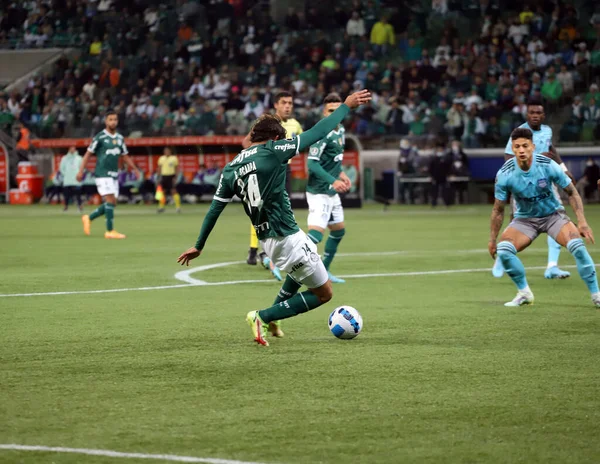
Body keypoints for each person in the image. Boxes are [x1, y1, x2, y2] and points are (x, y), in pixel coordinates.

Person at [177, 89, 372, 347]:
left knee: (299, 268)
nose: (284, 141)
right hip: (286, 235)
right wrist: (345, 106)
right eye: (281, 137)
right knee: (324, 293)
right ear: (274, 137)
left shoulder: (231, 167)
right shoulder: (274, 150)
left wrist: (199, 245)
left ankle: (272, 320)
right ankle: (263, 316)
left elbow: (215, 209)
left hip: (268, 241)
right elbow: (316, 133)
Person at [489, 128, 599, 308]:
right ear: (513, 149)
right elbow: (498, 209)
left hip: (553, 216)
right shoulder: (504, 174)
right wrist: (492, 239)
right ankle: (524, 293)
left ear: (532, 146)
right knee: (504, 251)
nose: (522, 150)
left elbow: (572, 192)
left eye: (525, 145)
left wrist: (583, 222)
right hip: (525, 220)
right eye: (517, 147)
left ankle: (597, 295)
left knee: (578, 247)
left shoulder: (547, 165)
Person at [493, 99, 576, 280]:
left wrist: (563, 169)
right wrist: (535, 159)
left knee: (557, 215)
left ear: (543, 115)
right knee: (516, 219)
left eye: (539, 113)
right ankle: (503, 254)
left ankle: (552, 266)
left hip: (546, 181)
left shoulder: (547, 130)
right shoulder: (520, 133)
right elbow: (509, 156)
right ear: (527, 114)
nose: (535, 116)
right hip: (523, 182)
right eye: (532, 113)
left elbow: (552, 150)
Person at [243, 91, 304, 267]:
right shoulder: (266, 123)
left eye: (290, 103)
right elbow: (246, 143)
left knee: (282, 209)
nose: (287, 106)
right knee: (262, 210)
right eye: (284, 102)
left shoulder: (295, 124)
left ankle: (266, 251)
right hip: (268, 171)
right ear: (276, 104)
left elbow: (301, 141)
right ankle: (258, 250)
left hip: (285, 170)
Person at [305, 93, 351, 284]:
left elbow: (334, 160)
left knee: (339, 231)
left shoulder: (341, 130)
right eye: (331, 111)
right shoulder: (321, 133)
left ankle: (325, 270)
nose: (334, 115)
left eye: (337, 111)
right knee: (315, 236)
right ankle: (282, 262)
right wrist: (333, 181)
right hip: (318, 193)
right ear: (324, 113)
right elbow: (312, 163)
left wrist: (341, 174)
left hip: (331, 193)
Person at [77, 110, 142, 239]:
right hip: (102, 174)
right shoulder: (100, 137)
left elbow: (124, 156)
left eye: (115, 119)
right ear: (106, 121)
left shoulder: (119, 138)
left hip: (113, 175)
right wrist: (80, 171)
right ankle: (110, 231)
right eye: (110, 119)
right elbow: (88, 154)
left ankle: (88, 218)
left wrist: (134, 169)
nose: (113, 122)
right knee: (110, 200)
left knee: (112, 203)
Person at [157, 147, 181, 213]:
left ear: (170, 151)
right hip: (164, 176)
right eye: (165, 151)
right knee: (162, 192)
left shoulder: (174, 158)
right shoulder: (161, 158)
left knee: (174, 191)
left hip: (171, 176)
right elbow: (159, 168)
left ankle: (178, 207)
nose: (166, 152)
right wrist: (158, 177)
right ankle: (161, 207)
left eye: (167, 151)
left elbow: (176, 168)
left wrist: (175, 177)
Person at [60, 146, 83, 212]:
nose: (72, 150)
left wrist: (79, 174)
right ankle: (66, 206)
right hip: (67, 180)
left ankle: (80, 206)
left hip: (76, 180)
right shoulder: (64, 158)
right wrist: (66, 174)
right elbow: (61, 168)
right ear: (69, 149)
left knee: (78, 194)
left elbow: (82, 167)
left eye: (73, 149)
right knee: (66, 195)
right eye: (71, 149)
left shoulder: (79, 158)